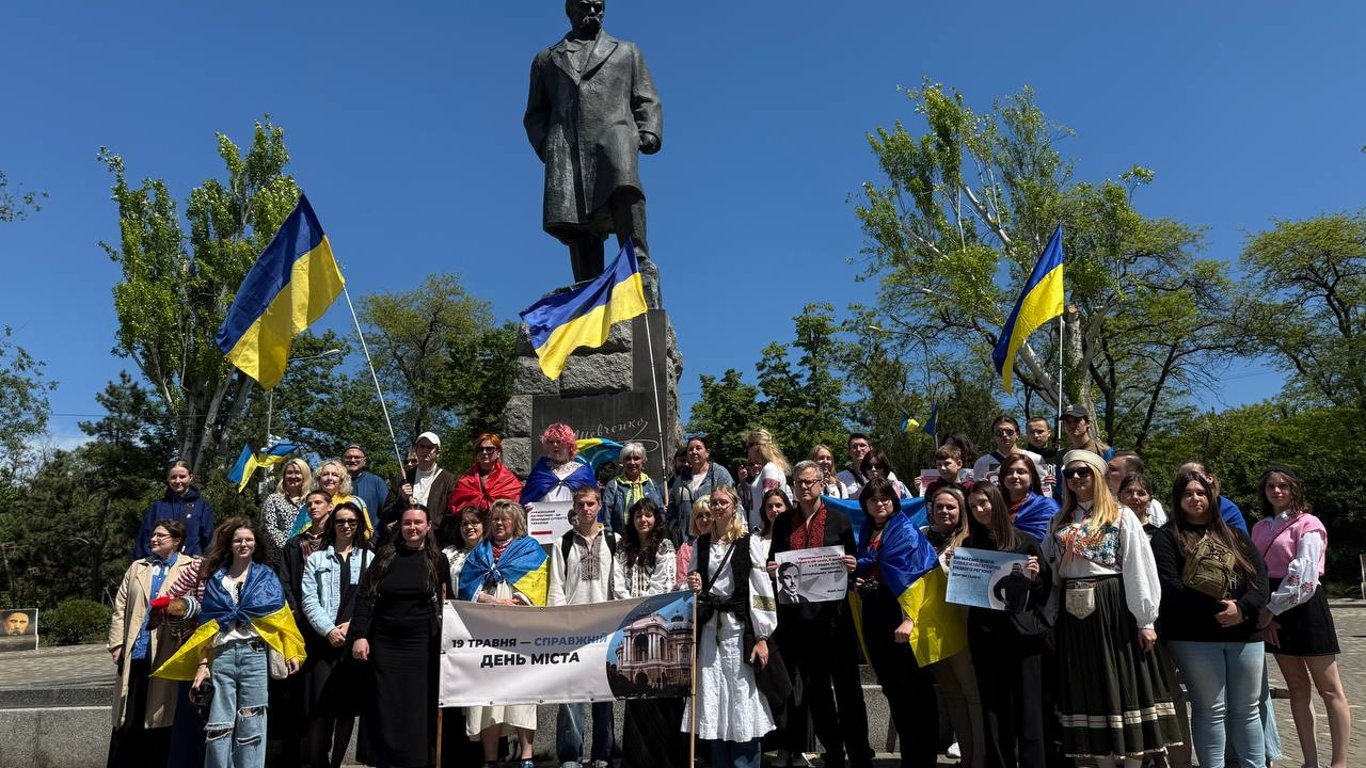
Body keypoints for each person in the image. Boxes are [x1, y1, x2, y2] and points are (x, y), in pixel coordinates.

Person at [1044, 450, 1179, 767]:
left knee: (1121, 681)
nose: (1076, 478)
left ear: (1097, 475)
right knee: (1087, 685)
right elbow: (1052, 571)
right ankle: (1103, 762)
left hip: (1112, 607)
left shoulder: (1121, 515)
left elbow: (1138, 566)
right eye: (1070, 474)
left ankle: (1132, 762)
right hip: (1073, 611)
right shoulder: (1059, 520)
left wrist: (1145, 619)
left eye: (1083, 472)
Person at [524, 0, 664, 287]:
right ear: (570, 10)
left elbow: (646, 97)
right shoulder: (546, 59)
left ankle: (637, 262)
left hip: (616, 133)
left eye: (598, 7)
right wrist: (547, 147)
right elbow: (535, 114)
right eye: (585, 6)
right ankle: (588, 285)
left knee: (625, 190)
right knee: (578, 221)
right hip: (567, 146)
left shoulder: (627, 51)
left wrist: (649, 129)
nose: (592, 12)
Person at [154, 516, 306, 768]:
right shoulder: (216, 578)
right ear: (229, 544)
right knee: (218, 725)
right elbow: (207, 628)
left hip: (255, 655)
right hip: (222, 655)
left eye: (248, 539)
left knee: (253, 722)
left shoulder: (266, 576)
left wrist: (291, 651)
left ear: (256, 543)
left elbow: (281, 620)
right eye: (238, 540)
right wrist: (203, 664)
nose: (243, 544)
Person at [1150, 471, 1268, 768]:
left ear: (1212, 496)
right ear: (1177, 499)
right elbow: (1169, 586)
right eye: (1187, 493)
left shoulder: (1234, 534)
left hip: (1245, 634)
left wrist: (1241, 608)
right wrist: (1216, 609)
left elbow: (1261, 581)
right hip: (1195, 636)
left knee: (1248, 710)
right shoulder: (1167, 537)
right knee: (1210, 709)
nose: (1195, 498)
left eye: (1201, 493)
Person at [770, 463, 874, 768]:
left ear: (821, 484)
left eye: (809, 482)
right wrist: (773, 567)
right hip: (800, 621)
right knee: (817, 692)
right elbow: (775, 559)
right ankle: (834, 751)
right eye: (799, 482)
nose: (804, 487)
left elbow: (852, 563)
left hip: (835, 619)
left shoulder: (839, 519)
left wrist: (852, 565)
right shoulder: (784, 523)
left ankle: (860, 752)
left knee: (848, 689)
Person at [1252, 465, 1351, 768]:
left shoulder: (1309, 523)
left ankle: (1339, 762)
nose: (1277, 491)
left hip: (1305, 608)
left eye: (1283, 485)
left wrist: (1270, 610)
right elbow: (1255, 572)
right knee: (1297, 689)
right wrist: (1266, 613)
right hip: (1274, 612)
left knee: (1329, 689)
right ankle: (1310, 761)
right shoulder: (1259, 527)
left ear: (1294, 489)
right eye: (1271, 486)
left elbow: (1305, 577)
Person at [350, 505, 452, 768]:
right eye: (407, 523)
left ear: (428, 526)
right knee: (385, 703)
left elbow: (448, 602)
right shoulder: (385, 555)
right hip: (384, 642)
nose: (412, 528)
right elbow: (364, 596)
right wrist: (360, 635)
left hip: (421, 644)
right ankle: (385, 760)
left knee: (416, 704)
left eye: (418, 522)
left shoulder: (438, 560)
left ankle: (415, 760)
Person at [685, 484, 777, 768]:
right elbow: (691, 586)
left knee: (740, 696)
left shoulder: (748, 543)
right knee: (713, 697)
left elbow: (761, 590)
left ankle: (745, 763)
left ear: (734, 506)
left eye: (723, 502)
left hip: (739, 632)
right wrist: (693, 584)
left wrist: (761, 636)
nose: (717, 507)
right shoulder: (701, 544)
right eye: (714, 502)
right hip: (709, 631)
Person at [853, 479, 941, 768]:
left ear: (894, 500)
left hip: (902, 615)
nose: (880, 504)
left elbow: (918, 577)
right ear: (865, 505)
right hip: (875, 614)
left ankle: (923, 758)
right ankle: (910, 757)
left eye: (885, 498)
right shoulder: (867, 530)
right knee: (892, 688)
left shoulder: (906, 531)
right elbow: (871, 567)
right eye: (873, 500)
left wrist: (909, 619)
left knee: (914, 689)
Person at [963, 483, 1050, 768]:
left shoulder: (1025, 542)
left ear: (996, 503)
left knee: (1028, 710)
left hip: (1022, 638)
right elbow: (968, 593)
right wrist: (958, 570)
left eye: (983, 503)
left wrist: (1036, 578)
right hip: (985, 637)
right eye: (973, 506)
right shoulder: (969, 545)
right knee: (992, 708)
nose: (979, 510)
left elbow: (1044, 594)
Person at [106, 519, 202, 768]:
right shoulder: (138, 567)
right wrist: (116, 644)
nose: (153, 539)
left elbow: (195, 606)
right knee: (129, 712)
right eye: (153, 535)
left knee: (161, 712)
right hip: (135, 649)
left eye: (161, 536)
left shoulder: (191, 567)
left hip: (168, 650)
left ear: (177, 540)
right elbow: (120, 607)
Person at [460, 500, 548, 768]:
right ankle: (490, 758)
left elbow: (539, 581)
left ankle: (526, 756)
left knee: (522, 691)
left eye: (505, 519)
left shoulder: (529, 548)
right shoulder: (479, 551)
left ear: (516, 522)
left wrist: (516, 601)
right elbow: (466, 585)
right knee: (488, 693)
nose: (499, 523)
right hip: (485, 627)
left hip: (520, 625)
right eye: (495, 519)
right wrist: (492, 600)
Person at [548, 487, 619, 768]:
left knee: (604, 694)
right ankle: (570, 756)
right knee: (570, 697)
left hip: (606, 628)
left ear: (600, 505)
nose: (586, 509)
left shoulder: (614, 540)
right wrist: (560, 624)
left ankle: (602, 754)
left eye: (591, 503)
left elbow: (619, 584)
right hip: (573, 630)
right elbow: (556, 587)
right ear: (574, 507)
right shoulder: (562, 543)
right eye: (581, 504)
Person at [299, 502, 373, 768]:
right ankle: (318, 762)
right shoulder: (317, 559)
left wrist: (353, 627)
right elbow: (308, 600)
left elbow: (374, 600)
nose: (346, 526)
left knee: (347, 711)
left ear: (359, 525)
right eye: (341, 521)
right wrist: (329, 629)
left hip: (354, 643)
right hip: (323, 642)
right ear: (333, 525)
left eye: (352, 521)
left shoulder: (370, 558)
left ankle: (337, 764)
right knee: (320, 710)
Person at [611, 498, 683, 768]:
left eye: (648, 515)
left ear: (656, 519)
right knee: (635, 691)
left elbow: (663, 584)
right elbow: (617, 582)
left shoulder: (664, 546)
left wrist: (643, 610)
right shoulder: (623, 547)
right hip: (629, 623)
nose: (643, 520)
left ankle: (662, 757)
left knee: (659, 689)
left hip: (658, 620)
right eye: (639, 516)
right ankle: (637, 757)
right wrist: (629, 608)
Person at [921, 486, 984, 768]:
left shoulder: (971, 539)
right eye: (939, 507)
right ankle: (967, 755)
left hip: (962, 623)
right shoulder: (922, 536)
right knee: (952, 693)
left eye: (951, 507)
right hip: (933, 627)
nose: (944, 512)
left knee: (971, 692)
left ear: (962, 511)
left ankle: (980, 756)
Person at [273, 490, 334, 766]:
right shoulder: (295, 543)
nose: (313, 507)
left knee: (323, 690)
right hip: (300, 624)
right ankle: (291, 750)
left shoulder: (336, 541)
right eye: (309, 504)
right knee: (295, 689)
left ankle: (321, 752)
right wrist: (296, 611)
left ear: (330, 506)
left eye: (318, 502)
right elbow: (285, 580)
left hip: (329, 625)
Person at [441, 505, 491, 768]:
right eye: (464, 524)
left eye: (474, 523)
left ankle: (485, 753)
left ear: (484, 526)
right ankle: (457, 752)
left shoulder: (493, 552)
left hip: (484, 629)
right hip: (454, 627)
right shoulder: (448, 553)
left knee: (482, 692)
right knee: (457, 689)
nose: (469, 527)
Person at [384, 433, 457, 544]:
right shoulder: (403, 478)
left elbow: (451, 516)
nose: (425, 450)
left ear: (438, 453)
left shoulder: (448, 480)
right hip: (402, 542)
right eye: (422, 446)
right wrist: (401, 499)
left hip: (435, 542)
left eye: (430, 447)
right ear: (416, 450)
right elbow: (386, 514)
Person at [134, 461, 214, 558]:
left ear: (190, 477)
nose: (177, 481)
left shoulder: (202, 506)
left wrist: (202, 559)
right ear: (168, 479)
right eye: (173, 477)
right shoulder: (158, 506)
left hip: (190, 563)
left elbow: (208, 539)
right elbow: (144, 537)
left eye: (182, 476)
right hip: (157, 562)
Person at [667, 435, 734, 544]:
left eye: (698, 448)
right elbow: (671, 510)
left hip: (715, 542)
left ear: (707, 452)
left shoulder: (720, 475)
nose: (694, 452)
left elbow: (733, 505)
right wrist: (675, 530)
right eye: (690, 449)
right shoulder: (680, 480)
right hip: (686, 544)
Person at [522, 423, 598, 508]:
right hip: (546, 516)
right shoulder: (540, 472)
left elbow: (593, 502)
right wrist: (528, 509)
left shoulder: (583, 472)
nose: (555, 445)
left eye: (559, 441)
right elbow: (527, 499)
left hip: (576, 516)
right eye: (551, 442)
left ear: (569, 444)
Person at [449, 434, 525, 517]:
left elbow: (514, 508)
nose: (484, 452)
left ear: (498, 453)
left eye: (489, 449)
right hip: (473, 523)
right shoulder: (465, 480)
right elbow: (457, 505)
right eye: (480, 449)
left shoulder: (508, 479)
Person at [602, 441, 664, 535]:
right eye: (628, 458)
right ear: (622, 461)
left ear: (643, 461)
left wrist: (660, 533)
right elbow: (606, 516)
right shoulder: (613, 485)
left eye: (636, 458)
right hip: (623, 538)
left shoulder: (651, 484)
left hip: (649, 538)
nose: (632, 462)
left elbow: (660, 512)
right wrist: (609, 537)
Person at [995, 453, 1058, 544]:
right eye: (1009, 472)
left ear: (1032, 478)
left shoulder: (1047, 506)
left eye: (1021, 472)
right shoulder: (994, 506)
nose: (1014, 476)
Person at [972, 416, 1043, 485]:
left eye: (1009, 432)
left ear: (1017, 434)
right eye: (999, 432)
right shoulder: (982, 462)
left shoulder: (1035, 458)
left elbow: (1044, 487)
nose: (1004, 435)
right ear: (994, 436)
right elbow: (978, 490)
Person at [261, 458, 312, 554]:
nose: (293, 476)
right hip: (280, 556)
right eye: (289, 473)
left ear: (305, 476)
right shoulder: (274, 499)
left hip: (308, 555)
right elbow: (269, 528)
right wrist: (290, 548)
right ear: (284, 476)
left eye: (297, 472)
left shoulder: (311, 501)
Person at [744, 428, 792, 528]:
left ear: (757, 447)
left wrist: (765, 531)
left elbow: (771, 503)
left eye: (748, 446)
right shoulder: (767, 469)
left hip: (766, 530)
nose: (747, 451)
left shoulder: (770, 469)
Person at [342, 444, 389, 533]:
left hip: (371, 537)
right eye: (348, 457)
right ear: (342, 460)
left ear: (364, 461)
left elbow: (387, 510)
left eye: (357, 457)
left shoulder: (376, 481)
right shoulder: (335, 482)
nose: (352, 460)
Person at [673, 496, 713, 590]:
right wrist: (692, 584)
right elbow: (680, 583)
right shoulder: (686, 549)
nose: (704, 520)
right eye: (699, 516)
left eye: (708, 515)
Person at [753, 488, 790, 563]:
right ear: (764, 510)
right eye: (770, 506)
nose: (774, 510)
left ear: (787, 507)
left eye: (778, 505)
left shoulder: (795, 536)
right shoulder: (756, 539)